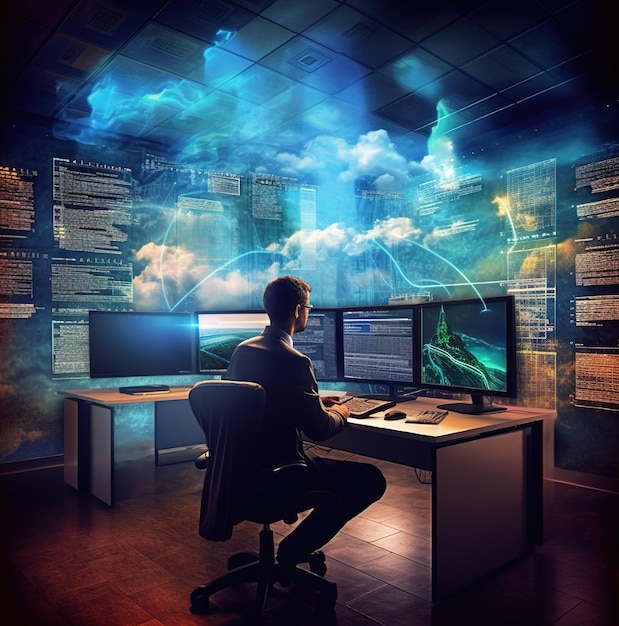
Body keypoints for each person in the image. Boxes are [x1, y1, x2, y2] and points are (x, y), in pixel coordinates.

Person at [224, 275, 386, 572]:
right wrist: (341, 414)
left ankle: (291, 551)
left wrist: (312, 402)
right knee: (371, 479)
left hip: (243, 473)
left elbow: (258, 401)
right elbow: (320, 430)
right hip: (282, 474)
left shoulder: (243, 350)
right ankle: (293, 551)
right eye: (309, 308)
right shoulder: (295, 360)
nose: (309, 313)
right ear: (299, 310)